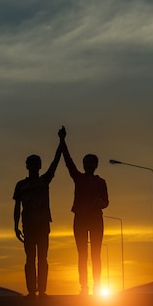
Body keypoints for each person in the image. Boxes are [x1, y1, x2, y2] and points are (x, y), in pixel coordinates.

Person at [58, 126, 109, 295]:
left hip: (96, 219)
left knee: (96, 254)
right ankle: (84, 287)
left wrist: (99, 203)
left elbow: (106, 202)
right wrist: (62, 141)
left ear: (96, 165)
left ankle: (97, 287)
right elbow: (67, 161)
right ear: (83, 165)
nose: (88, 165)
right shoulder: (78, 177)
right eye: (86, 163)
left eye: (91, 163)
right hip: (80, 218)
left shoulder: (101, 182)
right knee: (82, 254)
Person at [13, 136, 62, 298]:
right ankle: (31, 290)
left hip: (42, 225)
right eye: (32, 164)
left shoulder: (44, 181)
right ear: (28, 166)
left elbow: (55, 163)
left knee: (43, 258)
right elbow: (16, 206)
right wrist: (15, 226)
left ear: (40, 166)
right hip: (28, 225)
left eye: (37, 164)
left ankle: (42, 290)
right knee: (30, 258)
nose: (34, 167)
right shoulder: (21, 185)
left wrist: (61, 142)